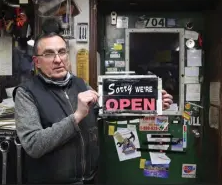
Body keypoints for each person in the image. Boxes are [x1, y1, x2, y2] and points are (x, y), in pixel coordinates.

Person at [14, 32, 173, 184]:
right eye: (49, 54)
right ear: (37, 62)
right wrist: (76, 117)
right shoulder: (26, 93)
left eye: (62, 52)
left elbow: (110, 110)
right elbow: (33, 144)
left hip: (89, 179)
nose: (58, 59)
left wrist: (151, 103)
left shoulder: (81, 84)